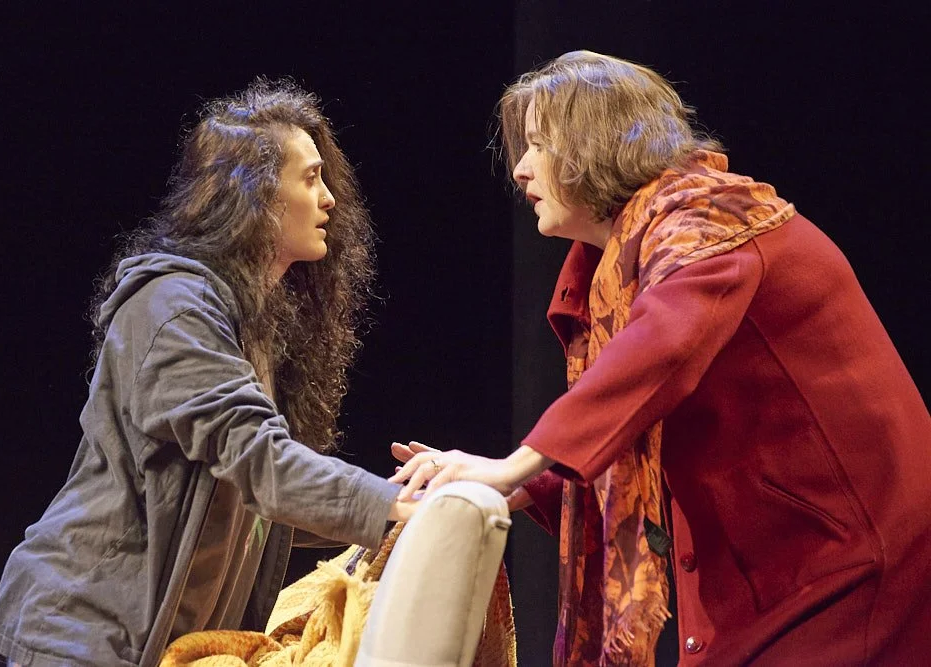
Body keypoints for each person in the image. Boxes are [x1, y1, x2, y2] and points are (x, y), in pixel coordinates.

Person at [391, 51, 931, 665]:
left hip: (849, 570)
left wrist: (512, 467)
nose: (519, 170)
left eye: (538, 144)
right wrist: (518, 485)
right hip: (774, 574)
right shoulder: (621, 263)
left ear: (592, 143)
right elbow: (634, 416)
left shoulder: (710, 220)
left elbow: (658, 351)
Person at [0, 78, 416, 667]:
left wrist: (400, 500)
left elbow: (257, 502)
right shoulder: (174, 309)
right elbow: (260, 462)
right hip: (84, 637)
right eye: (310, 178)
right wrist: (393, 504)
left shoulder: (249, 322)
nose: (330, 198)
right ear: (255, 197)